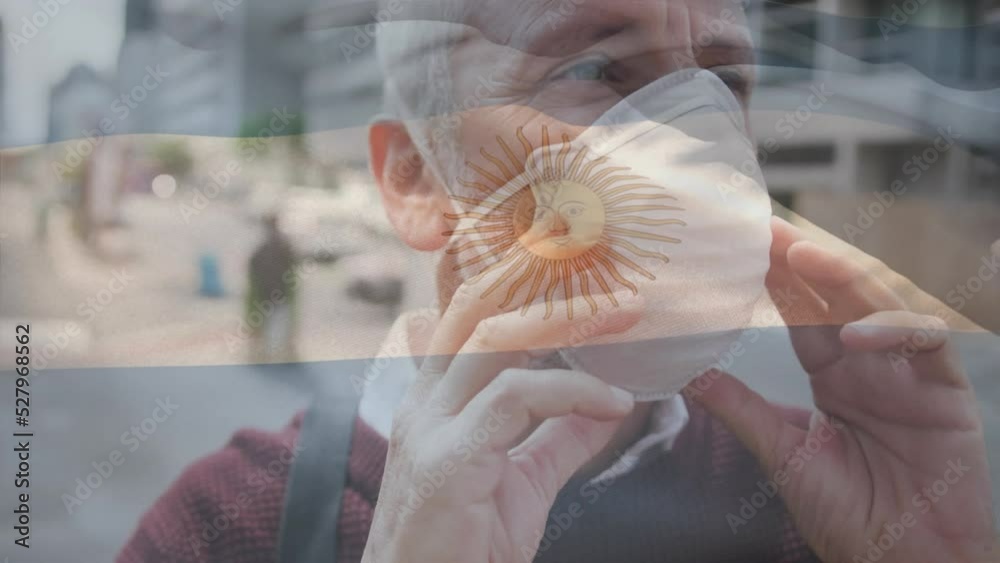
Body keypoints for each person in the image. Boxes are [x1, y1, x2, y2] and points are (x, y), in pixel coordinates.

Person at [117, 1, 997, 562]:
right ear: (419, 179)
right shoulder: (224, 527)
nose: (694, 134)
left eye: (722, 79)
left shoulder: (825, 496)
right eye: (593, 70)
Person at [245, 213, 299, 363]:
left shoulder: (265, 249)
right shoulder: (281, 247)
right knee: (280, 326)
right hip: (276, 293)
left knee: (273, 326)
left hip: (269, 293)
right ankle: (275, 355)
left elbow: (253, 270)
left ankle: (266, 355)